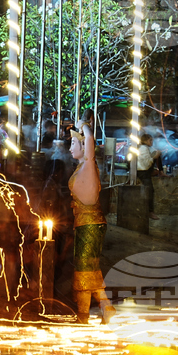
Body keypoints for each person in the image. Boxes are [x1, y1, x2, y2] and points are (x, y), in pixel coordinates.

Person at [69, 110, 115, 324]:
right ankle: (106, 307)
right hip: (85, 223)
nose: (70, 148)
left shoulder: (88, 165)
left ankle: (83, 314)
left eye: (73, 145)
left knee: (85, 268)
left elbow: (89, 141)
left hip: (90, 224)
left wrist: (85, 125)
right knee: (89, 267)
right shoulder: (82, 167)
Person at [136, 133, 162, 219]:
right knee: (149, 190)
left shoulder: (146, 148)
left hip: (145, 171)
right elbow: (146, 164)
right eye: (150, 140)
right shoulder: (143, 148)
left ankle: (161, 171)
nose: (152, 142)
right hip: (142, 172)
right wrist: (155, 157)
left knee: (158, 153)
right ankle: (150, 212)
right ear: (145, 141)